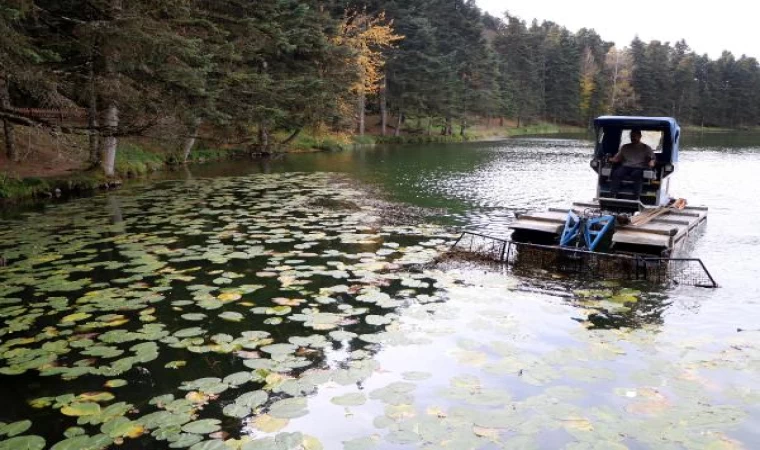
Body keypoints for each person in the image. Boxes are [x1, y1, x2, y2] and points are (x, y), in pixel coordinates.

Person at [608, 128, 655, 199]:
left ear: (640, 136)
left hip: (639, 167)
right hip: (626, 166)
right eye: (632, 136)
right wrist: (609, 159)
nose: (633, 138)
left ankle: (636, 196)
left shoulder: (646, 148)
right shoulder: (625, 147)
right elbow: (617, 158)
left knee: (636, 174)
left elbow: (653, 159)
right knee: (617, 173)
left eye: (635, 136)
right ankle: (613, 195)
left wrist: (651, 162)